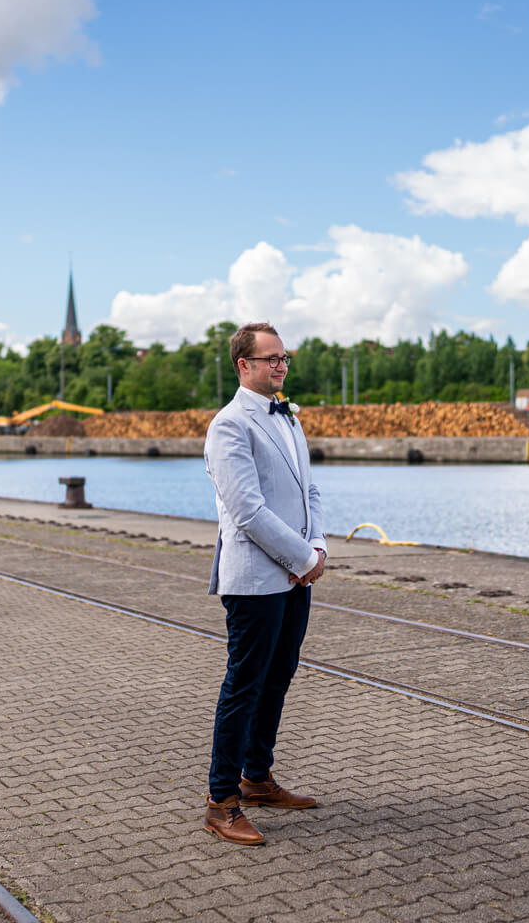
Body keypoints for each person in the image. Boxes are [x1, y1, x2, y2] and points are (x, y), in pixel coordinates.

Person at [201, 323, 327, 846]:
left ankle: (257, 778)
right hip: (256, 578)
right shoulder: (229, 426)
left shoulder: (289, 416)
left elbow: (310, 491)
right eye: (270, 358)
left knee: (277, 679)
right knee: (244, 686)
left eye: (284, 358)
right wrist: (302, 557)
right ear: (243, 366)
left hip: (296, 575)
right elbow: (247, 510)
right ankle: (220, 802)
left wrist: (317, 549)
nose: (280, 366)